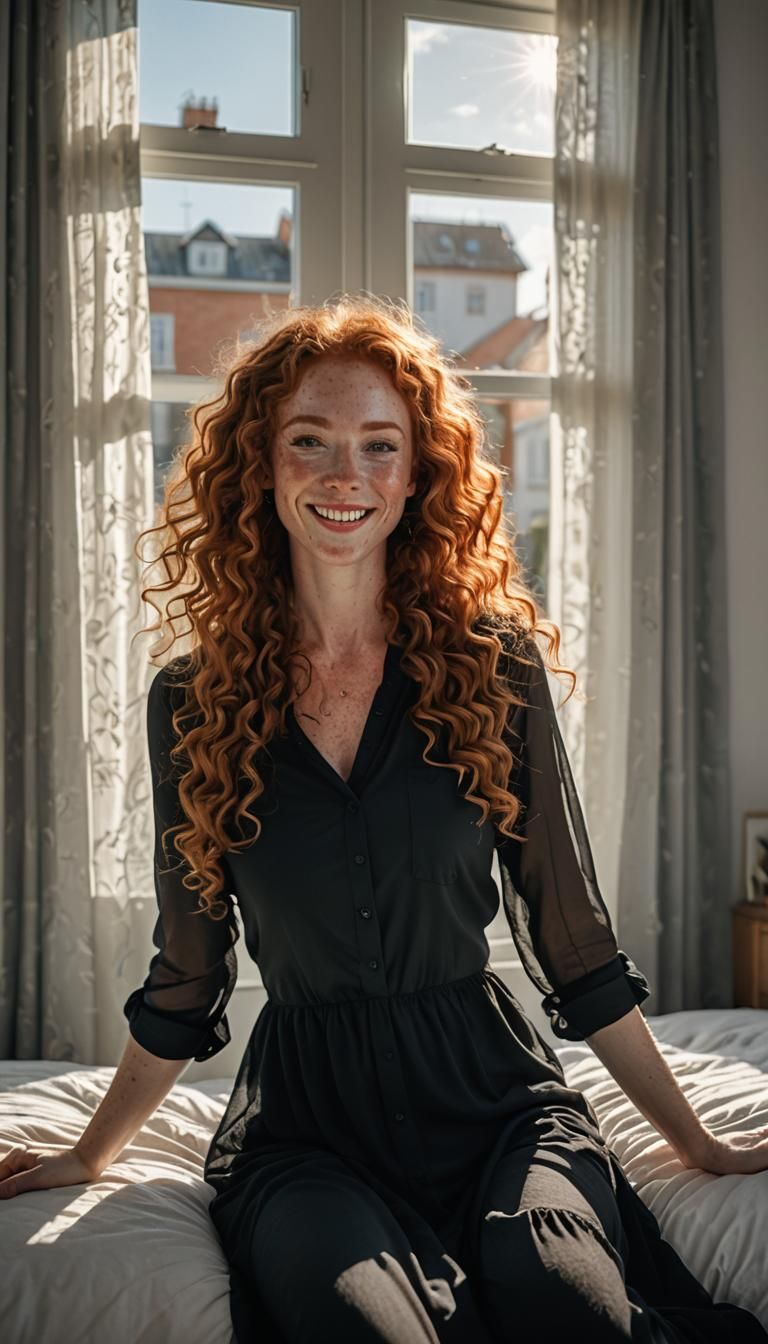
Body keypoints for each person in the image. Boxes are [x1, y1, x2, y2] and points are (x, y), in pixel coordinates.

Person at [2, 296, 767, 1344]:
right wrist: (88, 1156)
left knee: (560, 1304)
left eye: (378, 445)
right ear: (261, 469)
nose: (343, 475)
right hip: (306, 1133)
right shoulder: (193, 699)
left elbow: (575, 943)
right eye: (308, 442)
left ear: (418, 474)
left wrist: (700, 1146)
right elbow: (187, 974)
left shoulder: (495, 667)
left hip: (498, 1108)